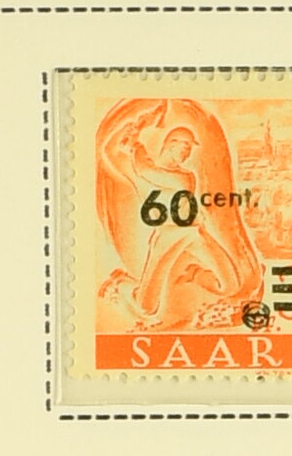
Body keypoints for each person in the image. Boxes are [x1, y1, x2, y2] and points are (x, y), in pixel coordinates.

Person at [92, 92, 267, 341]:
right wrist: (134, 132)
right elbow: (112, 153)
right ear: (169, 145)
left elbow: (146, 169)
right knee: (146, 307)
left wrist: (135, 143)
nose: (186, 154)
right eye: (183, 147)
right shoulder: (143, 174)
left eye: (189, 149)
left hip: (195, 234)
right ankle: (119, 285)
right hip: (167, 238)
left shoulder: (184, 176)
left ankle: (192, 274)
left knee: (229, 285)